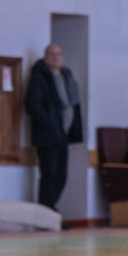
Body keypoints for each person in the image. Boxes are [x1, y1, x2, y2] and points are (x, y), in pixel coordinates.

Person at [25, 44, 83, 228]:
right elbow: (32, 105)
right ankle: (45, 216)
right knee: (49, 175)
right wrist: (50, 123)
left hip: (63, 135)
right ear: (46, 57)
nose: (56, 57)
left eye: (59, 54)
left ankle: (49, 211)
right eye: (52, 54)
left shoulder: (67, 77)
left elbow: (72, 105)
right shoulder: (40, 78)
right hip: (48, 136)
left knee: (61, 175)